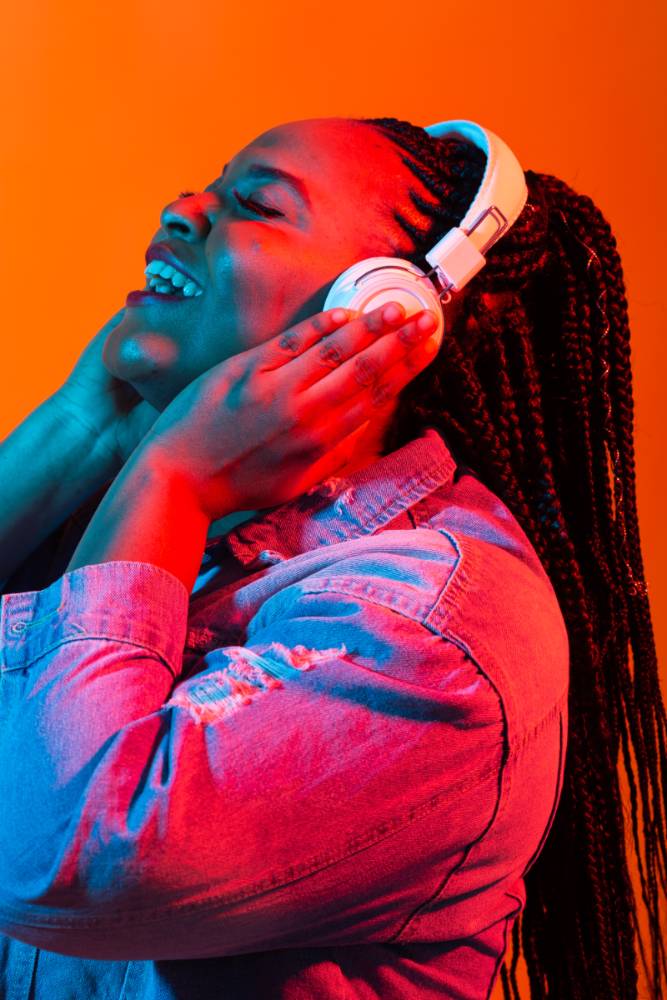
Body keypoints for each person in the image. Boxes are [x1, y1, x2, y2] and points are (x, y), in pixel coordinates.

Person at [0, 115, 663, 1000]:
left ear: (381, 311)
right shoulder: (186, 536)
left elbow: (63, 861)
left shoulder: (427, 629)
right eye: (209, 184)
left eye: (255, 203)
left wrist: (171, 481)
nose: (185, 208)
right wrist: (79, 430)